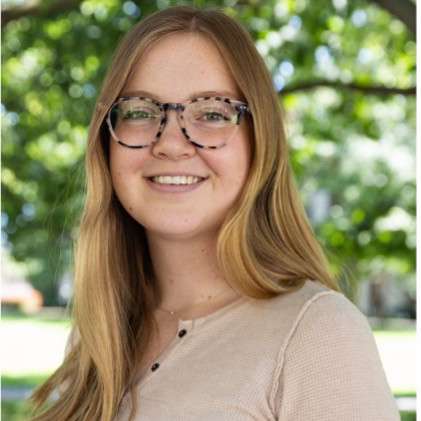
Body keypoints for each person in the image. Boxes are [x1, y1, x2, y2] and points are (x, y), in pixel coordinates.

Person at [29, 6, 400, 421]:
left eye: (211, 113)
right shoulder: (100, 333)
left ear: (261, 142)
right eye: (139, 110)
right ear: (106, 138)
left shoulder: (318, 336)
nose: (171, 142)